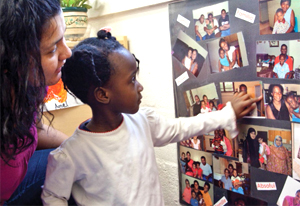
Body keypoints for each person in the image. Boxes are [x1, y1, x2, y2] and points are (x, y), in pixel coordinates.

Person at [41, 30, 261, 205]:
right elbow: (52, 196)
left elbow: (185, 127)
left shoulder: (143, 122)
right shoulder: (70, 155)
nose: (140, 86)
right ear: (102, 94)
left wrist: (227, 114)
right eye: (131, 80)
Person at [0, 0, 73, 205]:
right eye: (51, 50)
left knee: (79, 160)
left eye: (63, 37)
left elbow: (37, 130)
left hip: (17, 178)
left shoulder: (30, 85)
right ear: (10, 60)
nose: (67, 53)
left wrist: (82, 145)